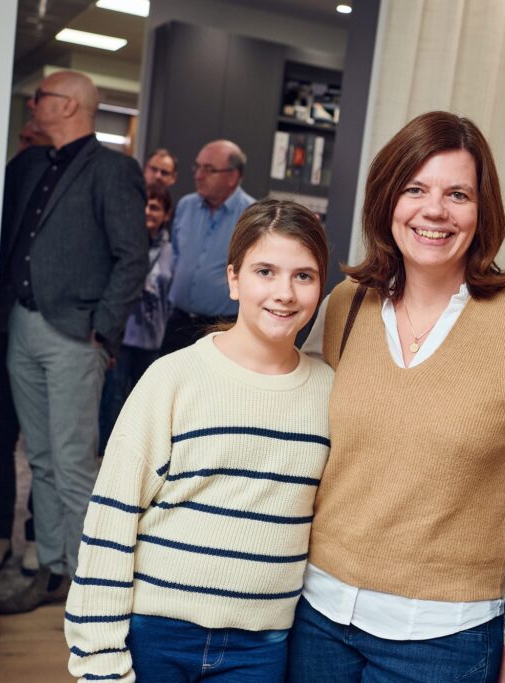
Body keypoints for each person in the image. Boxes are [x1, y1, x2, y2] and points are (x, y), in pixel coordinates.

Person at [287, 111, 505, 683]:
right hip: (317, 617)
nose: (434, 210)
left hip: (443, 639)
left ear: (482, 211)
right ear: (388, 199)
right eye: (415, 189)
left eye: (457, 194)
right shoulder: (344, 305)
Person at [65, 199, 333, 682]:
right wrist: (98, 659)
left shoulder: (329, 393)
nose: (284, 293)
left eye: (303, 276)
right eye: (265, 272)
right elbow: (111, 519)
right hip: (156, 633)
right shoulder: (173, 379)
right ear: (234, 279)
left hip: (260, 648)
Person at [0, 70, 148, 614]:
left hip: (74, 335)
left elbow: (133, 257)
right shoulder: (29, 164)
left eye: (42, 97)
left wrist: (101, 330)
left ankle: (92, 586)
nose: (33, 104)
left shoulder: (113, 169)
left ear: (69, 105)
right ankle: (53, 570)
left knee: (73, 463)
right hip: (21, 325)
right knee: (39, 458)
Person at [0, 116, 52, 572]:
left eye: (33, 138)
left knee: (43, 447)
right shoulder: (6, 180)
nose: (24, 144)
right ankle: (0, 532)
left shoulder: (58, 191)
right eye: (23, 137)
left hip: (45, 330)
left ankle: (37, 538)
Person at [97, 182, 176, 456]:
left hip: (152, 339)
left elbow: (172, 294)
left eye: (155, 207)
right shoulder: (126, 243)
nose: (148, 212)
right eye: (144, 205)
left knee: (146, 402)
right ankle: (109, 455)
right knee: (114, 399)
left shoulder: (171, 251)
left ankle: (137, 454)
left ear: (166, 214)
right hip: (124, 336)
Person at [160, 139, 255, 355]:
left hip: (221, 327)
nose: (198, 175)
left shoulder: (252, 216)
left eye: (209, 169)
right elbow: (176, 256)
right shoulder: (186, 206)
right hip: (177, 322)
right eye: (197, 167)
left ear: (233, 177)